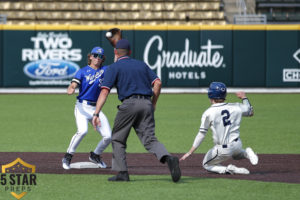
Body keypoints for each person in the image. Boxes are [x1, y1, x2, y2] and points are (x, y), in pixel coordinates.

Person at [92, 39, 181, 182]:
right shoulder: (141, 65)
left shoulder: (114, 67)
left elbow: (104, 92)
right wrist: (153, 103)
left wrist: (96, 113)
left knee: (118, 139)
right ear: (130, 52)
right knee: (150, 139)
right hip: (146, 103)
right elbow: (157, 83)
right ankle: (168, 158)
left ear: (115, 52)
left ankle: (122, 173)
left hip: (129, 104)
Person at [180, 82, 258, 175]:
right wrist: (244, 98)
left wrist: (190, 152)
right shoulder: (236, 106)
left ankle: (229, 170)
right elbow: (250, 112)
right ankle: (246, 153)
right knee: (236, 155)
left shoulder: (209, 113)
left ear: (210, 95)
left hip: (223, 149)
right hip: (237, 144)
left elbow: (201, 134)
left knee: (206, 164)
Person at [62, 47, 112, 170]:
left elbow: (117, 66)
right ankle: (68, 156)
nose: (97, 58)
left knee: (108, 136)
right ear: (90, 56)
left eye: (100, 56)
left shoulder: (105, 70)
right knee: (82, 131)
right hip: (82, 107)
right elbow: (74, 83)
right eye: (95, 55)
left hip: (96, 108)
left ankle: (95, 155)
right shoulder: (82, 71)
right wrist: (72, 87)